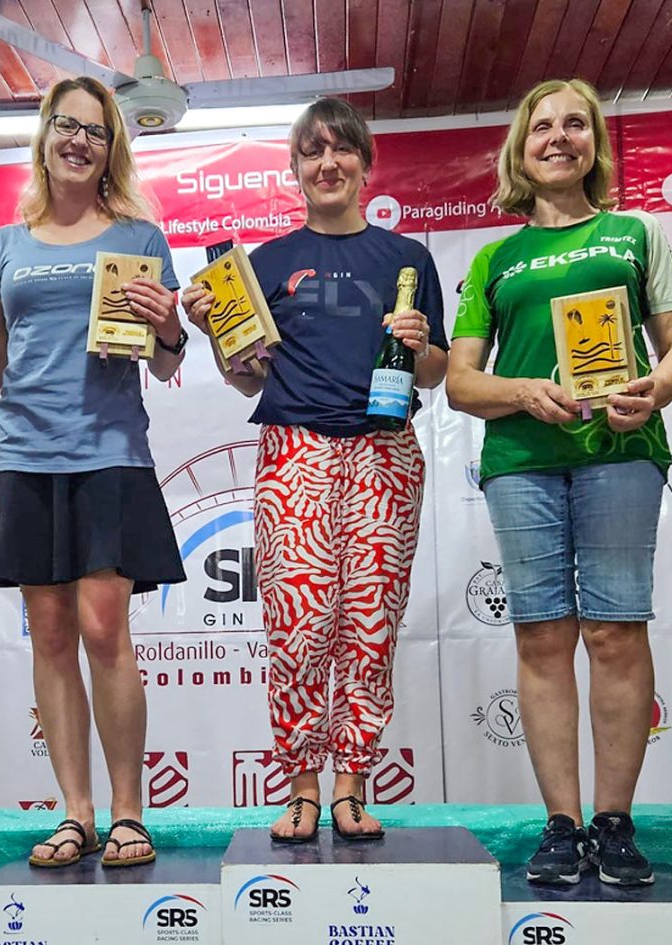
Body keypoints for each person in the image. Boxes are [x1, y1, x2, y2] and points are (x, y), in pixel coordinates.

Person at [0, 76, 186, 869]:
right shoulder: (3, 245)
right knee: (51, 633)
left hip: (111, 455)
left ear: (110, 148)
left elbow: (164, 369)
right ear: (46, 135)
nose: (79, 140)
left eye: (96, 131)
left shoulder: (139, 237)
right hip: (24, 457)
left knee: (103, 628)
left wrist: (169, 330)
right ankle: (77, 811)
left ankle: (129, 811)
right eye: (67, 125)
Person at [446, 78, 672, 886]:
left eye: (575, 125)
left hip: (621, 453)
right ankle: (561, 824)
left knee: (616, 630)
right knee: (543, 637)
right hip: (519, 462)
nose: (559, 137)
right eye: (542, 126)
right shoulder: (494, 256)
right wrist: (525, 393)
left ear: (595, 143)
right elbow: (459, 384)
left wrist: (652, 391)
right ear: (521, 149)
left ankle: (615, 823)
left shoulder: (635, 232)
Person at [183, 97, 448, 843]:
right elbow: (245, 378)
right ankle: (301, 785)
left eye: (342, 150)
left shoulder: (407, 258)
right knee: (298, 631)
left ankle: (351, 784)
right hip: (294, 450)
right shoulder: (263, 264)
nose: (327, 163)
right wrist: (212, 332)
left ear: (365, 164)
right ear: (295, 169)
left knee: (370, 625)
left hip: (385, 453)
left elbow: (431, 373)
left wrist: (422, 339)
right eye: (312, 151)